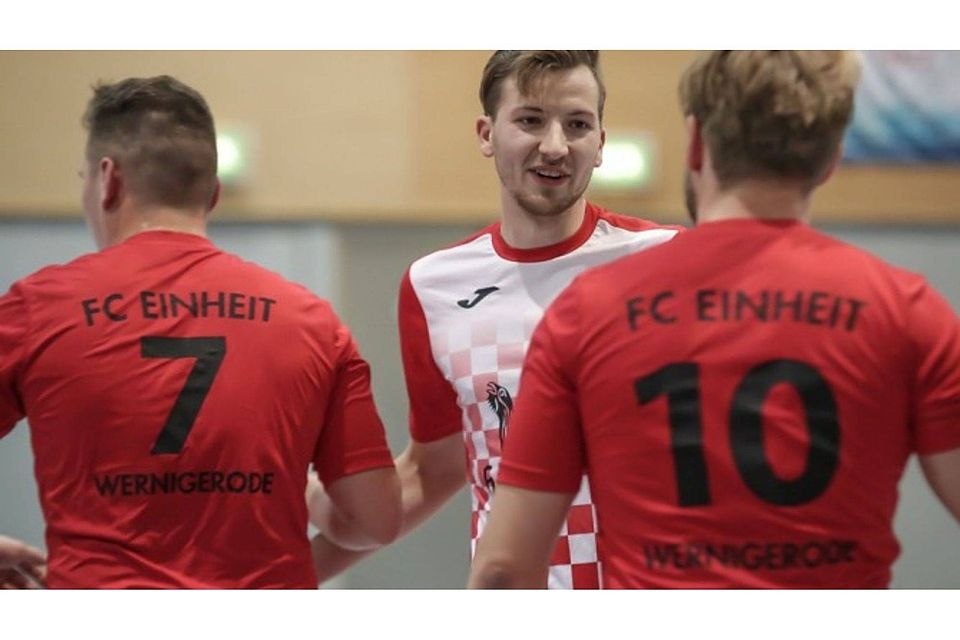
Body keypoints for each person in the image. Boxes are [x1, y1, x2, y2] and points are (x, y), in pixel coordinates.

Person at [468, 50, 960, 589]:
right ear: (831, 159)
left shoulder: (585, 313)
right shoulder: (908, 311)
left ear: (696, 140)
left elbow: (503, 569)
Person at [0, 75, 401, 588]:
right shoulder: (312, 323)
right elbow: (376, 519)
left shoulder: (38, 308)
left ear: (107, 181)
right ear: (211, 194)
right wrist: (299, 492)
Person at [308, 50, 682, 588]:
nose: (555, 145)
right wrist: (287, 575)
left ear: (600, 143)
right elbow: (432, 471)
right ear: (487, 134)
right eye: (530, 120)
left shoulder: (665, 259)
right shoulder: (433, 286)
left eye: (577, 125)